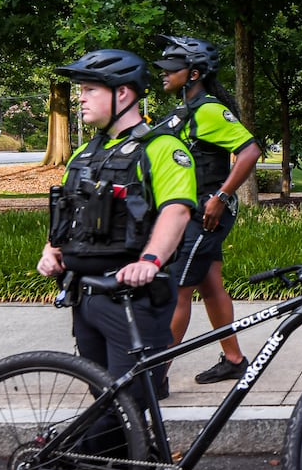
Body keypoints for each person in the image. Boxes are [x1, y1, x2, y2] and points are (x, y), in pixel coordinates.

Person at [37, 50, 195, 433]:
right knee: (106, 400)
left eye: (90, 89)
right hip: (86, 298)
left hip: (134, 300)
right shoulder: (85, 153)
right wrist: (51, 250)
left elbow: (177, 211)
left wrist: (151, 260)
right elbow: (69, 215)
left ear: (123, 94)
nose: (81, 97)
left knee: (126, 402)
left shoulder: (161, 149)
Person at [151, 35, 262, 385]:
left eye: (171, 67)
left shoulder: (209, 110)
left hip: (207, 215)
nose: (163, 73)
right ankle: (234, 358)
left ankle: (155, 376)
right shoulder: (183, 112)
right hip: (190, 213)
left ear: (195, 73)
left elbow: (250, 152)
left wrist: (221, 196)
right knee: (210, 285)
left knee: (178, 290)